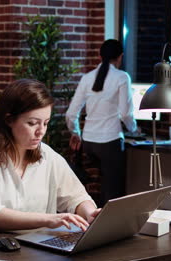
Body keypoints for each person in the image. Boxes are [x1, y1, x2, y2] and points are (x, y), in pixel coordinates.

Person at [0, 79, 100, 231]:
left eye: (45, 123)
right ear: (9, 120)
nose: (41, 131)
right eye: (32, 123)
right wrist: (49, 220)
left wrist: (90, 214)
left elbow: (76, 197)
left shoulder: (48, 156)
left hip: (35, 248)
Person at [65, 39, 138, 207]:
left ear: (100, 56)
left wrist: (76, 133)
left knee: (104, 184)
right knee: (113, 189)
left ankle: (96, 219)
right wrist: (133, 129)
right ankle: (108, 227)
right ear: (120, 57)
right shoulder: (122, 77)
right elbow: (126, 113)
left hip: (89, 143)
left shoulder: (87, 78)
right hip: (109, 142)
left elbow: (70, 114)